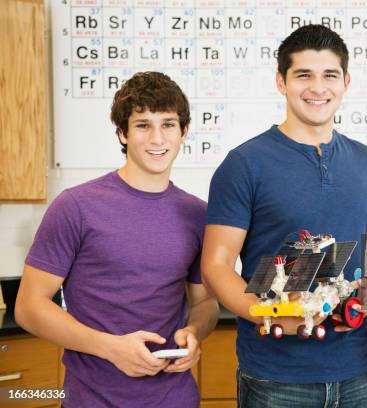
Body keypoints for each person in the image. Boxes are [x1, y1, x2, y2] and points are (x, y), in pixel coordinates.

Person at [201, 24, 367, 408]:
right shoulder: (244, 164)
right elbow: (216, 264)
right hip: (276, 377)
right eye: (303, 75)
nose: (317, 87)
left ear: (346, 82)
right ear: (281, 81)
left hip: (355, 370)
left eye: (329, 75)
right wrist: (270, 315)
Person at [15, 72, 219, 408]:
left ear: (184, 131)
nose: (157, 138)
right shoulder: (75, 206)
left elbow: (204, 304)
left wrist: (194, 333)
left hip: (175, 397)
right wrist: (112, 348)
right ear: (122, 133)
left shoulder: (198, 214)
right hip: (92, 399)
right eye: (142, 125)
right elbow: (28, 307)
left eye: (168, 124)